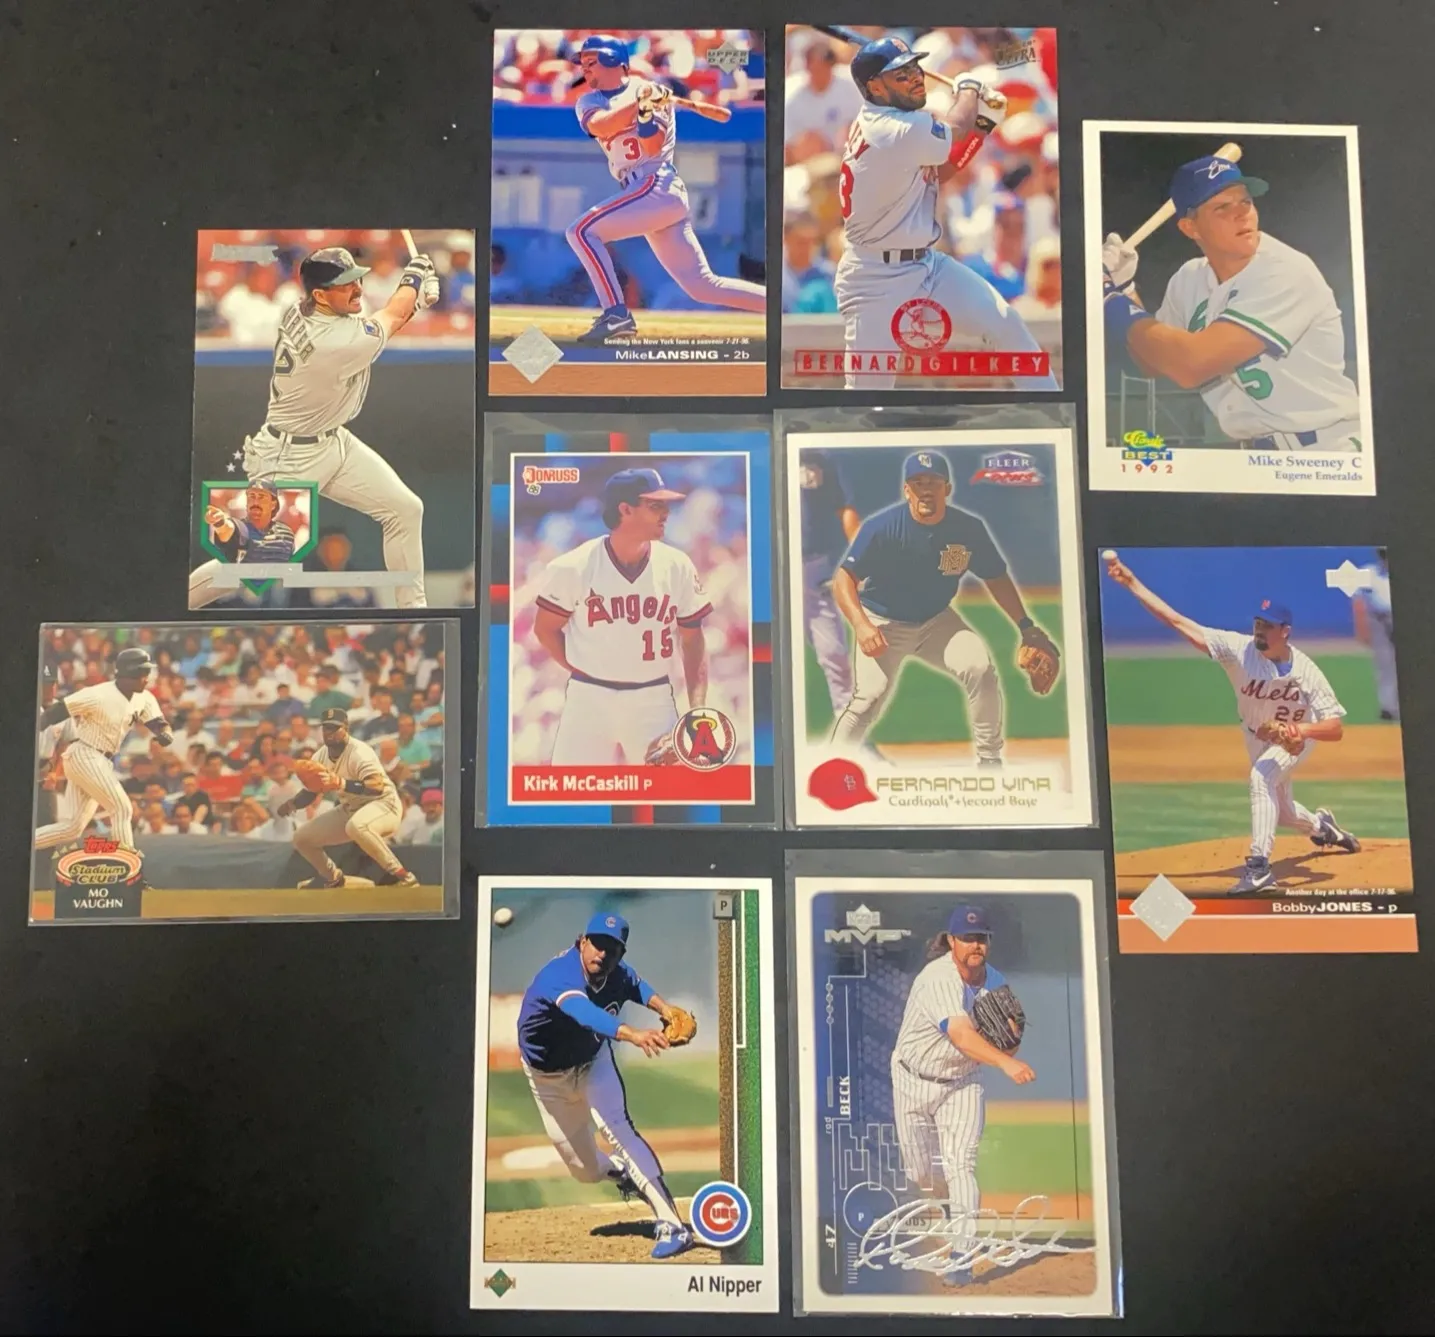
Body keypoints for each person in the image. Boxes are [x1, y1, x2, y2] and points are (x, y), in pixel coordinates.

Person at [1104, 551, 1359, 894]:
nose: (1259, 631)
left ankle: (1259, 868)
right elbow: (1178, 622)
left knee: (1261, 778)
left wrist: (1300, 730)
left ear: (1285, 632)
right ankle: (1323, 828)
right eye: (1257, 624)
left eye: (1267, 626)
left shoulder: (1307, 671)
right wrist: (1132, 583)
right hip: (1255, 736)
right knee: (1283, 813)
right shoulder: (1238, 650)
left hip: (1295, 740)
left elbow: (1335, 728)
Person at [831, 37, 1057, 390]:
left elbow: (940, 172)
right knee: (867, 396)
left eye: (914, 68)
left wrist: (982, 126)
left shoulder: (898, 120)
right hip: (875, 277)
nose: (915, 77)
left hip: (927, 265)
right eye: (901, 75)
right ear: (874, 87)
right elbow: (952, 130)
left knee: (1006, 323)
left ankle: (1054, 412)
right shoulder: (887, 128)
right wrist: (968, 89)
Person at [1102, 156, 1362, 452]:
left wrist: (1108, 298)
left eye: (1245, 202)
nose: (1242, 214)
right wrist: (1123, 289)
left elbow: (1190, 364)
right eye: (1222, 208)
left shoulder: (1283, 270)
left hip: (1326, 448)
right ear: (1190, 228)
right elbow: (1153, 361)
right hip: (1254, 454)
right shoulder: (1188, 279)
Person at [230, 246, 441, 607]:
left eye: (356, 279)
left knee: (406, 509)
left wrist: (416, 301)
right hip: (288, 457)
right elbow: (391, 316)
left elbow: (386, 320)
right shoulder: (330, 342)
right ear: (320, 295)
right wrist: (415, 275)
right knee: (247, 565)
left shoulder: (303, 310)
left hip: (331, 440)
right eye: (345, 284)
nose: (357, 288)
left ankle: (413, 611)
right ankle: (183, 600)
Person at [830, 451, 1058, 765]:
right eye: (918, 482)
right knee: (869, 698)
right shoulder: (882, 528)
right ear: (907, 490)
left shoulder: (968, 529)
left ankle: (990, 762)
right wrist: (861, 624)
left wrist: (1025, 625)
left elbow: (995, 577)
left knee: (979, 668)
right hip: (882, 621)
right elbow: (843, 579)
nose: (926, 489)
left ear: (947, 489)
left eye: (933, 482)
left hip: (936, 620)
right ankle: (829, 767)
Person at [562, 34, 766, 344]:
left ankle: (616, 315)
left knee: (580, 231)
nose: (585, 69)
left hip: (656, 184)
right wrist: (639, 104)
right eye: (583, 64)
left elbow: (652, 146)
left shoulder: (651, 93)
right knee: (702, 286)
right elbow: (601, 126)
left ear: (615, 61)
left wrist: (647, 112)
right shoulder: (590, 101)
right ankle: (776, 306)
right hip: (643, 193)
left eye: (592, 62)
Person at [515, 911, 696, 1259]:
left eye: (612, 949)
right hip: (548, 1079)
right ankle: (621, 1172)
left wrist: (665, 1008)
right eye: (597, 944)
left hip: (593, 1062)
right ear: (582, 942)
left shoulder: (617, 971)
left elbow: (636, 985)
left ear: (620, 954)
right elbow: (586, 1013)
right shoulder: (559, 975)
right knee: (584, 1171)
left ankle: (673, 1225)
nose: (602, 953)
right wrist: (633, 1034)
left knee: (619, 1129)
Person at [532, 468, 712, 764]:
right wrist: (582, 667)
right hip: (588, 700)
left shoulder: (677, 565)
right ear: (625, 509)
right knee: (573, 790)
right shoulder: (573, 566)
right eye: (655, 505)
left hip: (652, 699)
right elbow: (545, 629)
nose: (666, 512)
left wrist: (697, 711)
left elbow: (693, 639)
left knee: (667, 790)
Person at [890, 906, 1034, 1242]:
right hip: (913, 1079)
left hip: (962, 1084)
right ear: (952, 941)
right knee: (920, 1173)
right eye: (967, 938)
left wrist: (1011, 1045)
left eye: (981, 938)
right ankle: (943, 1202)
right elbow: (961, 1035)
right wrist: (1005, 1063)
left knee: (962, 1166)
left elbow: (1010, 1042)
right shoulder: (937, 978)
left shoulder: (995, 982)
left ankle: (963, 1250)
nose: (975, 945)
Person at [34, 648, 173, 858]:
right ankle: (128, 866)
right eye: (143, 672)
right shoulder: (98, 694)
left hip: (101, 760)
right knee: (122, 808)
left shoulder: (144, 697)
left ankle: (22, 843)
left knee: (72, 828)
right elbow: (56, 712)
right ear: (129, 673)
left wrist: (164, 733)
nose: (147, 677)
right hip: (84, 754)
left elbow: (158, 723)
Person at [277, 708, 418, 889]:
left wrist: (341, 783)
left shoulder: (359, 751)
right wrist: (292, 804)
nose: (330, 732)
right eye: (326, 728)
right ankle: (333, 878)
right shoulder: (320, 756)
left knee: (357, 826)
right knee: (301, 838)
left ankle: (403, 876)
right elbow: (312, 791)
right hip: (351, 808)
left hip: (384, 805)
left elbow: (376, 786)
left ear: (346, 729)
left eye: (335, 728)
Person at [798, 449, 860, 714]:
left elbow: (844, 507)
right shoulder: (764, 451)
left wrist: (863, 553)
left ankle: (847, 725)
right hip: (770, 566)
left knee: (833, 650)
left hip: (814, 564)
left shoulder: (821, 456)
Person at [1352, 547, 1398, 721]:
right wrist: (1361, 628)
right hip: (1379, 619)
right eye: (1382, 554)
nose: (1385, 558)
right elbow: (1358, 601)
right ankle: (1388, 707)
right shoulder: (1369, 573)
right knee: (1385, 663)